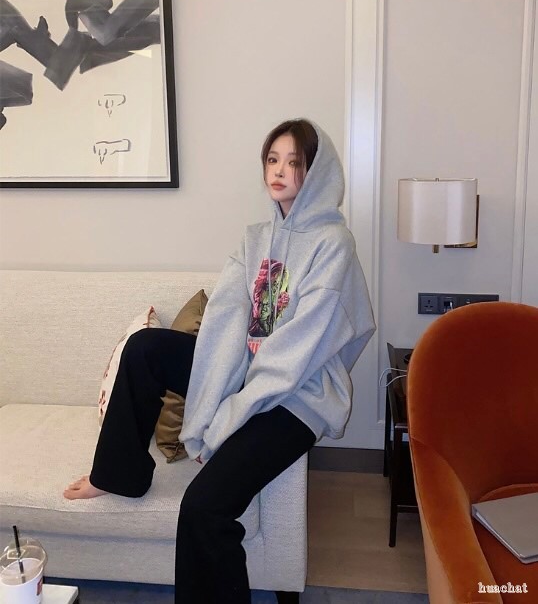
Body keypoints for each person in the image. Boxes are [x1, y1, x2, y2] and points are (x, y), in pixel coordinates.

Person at [64, 118, 376, 604]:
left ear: (316, 172)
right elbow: (226, 326)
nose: (279, 171)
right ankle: (119, 474)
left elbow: (298, 352)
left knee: (204, 508)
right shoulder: (255, 240)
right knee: (145, 348)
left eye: (294, 162)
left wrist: (226, 418)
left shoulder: (334, 244)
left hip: (299, 397)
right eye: (272, 160)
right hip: (249, 375)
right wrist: (214, 395)